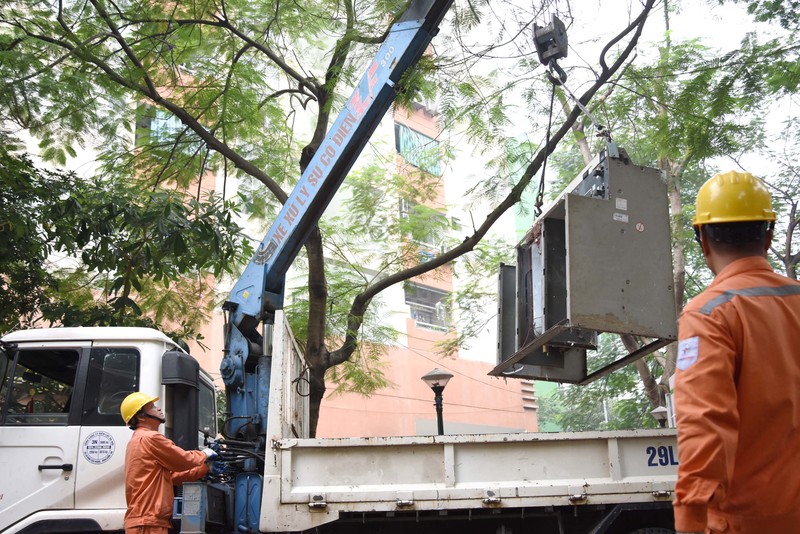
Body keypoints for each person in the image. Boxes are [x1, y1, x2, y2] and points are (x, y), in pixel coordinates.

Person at [672, 170, 800, 534]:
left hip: (748, 522)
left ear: (702, 241)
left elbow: (705, 421)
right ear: (770, 235)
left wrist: (691, 519)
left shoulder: (709, 313)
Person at [120, 392, 217, 534]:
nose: (158, 408)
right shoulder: (149, 438)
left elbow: (173, 476)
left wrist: (205, 469)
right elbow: (184, 460)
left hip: (147, 522)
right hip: (147, 524)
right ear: (141, 416)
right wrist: (204, 454)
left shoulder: (138, 440)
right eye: (152, 407)